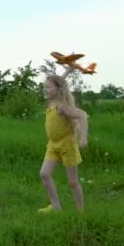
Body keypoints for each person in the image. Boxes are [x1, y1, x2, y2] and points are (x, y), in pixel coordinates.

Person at [38, 74, 88, 214]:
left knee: (73, 182)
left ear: (58, 89)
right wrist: (66, 71)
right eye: (45, 87)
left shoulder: (62, 107)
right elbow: (59, 83)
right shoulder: (51, 103)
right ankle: (56, 207)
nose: (45, 89)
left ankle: (81, 212)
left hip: (67, 145)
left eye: (48, 87)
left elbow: (82, 115)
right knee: (44, 174)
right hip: (53, 145)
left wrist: (83, 138)